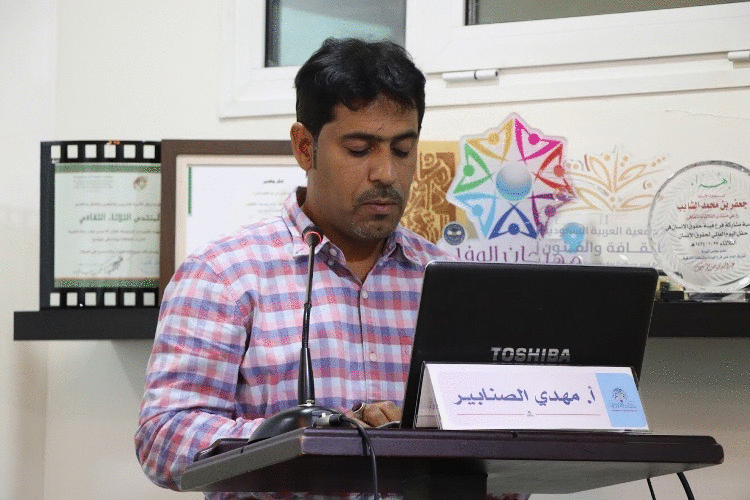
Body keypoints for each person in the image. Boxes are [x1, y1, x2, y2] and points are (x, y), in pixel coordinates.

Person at [135, 38, 451, 497]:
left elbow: (505, 454)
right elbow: (164, 439)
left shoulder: (447, 280)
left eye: (403, 150)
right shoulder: (223, 275)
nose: (386, 172)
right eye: (360, 149)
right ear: (305, 147)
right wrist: (308, 437)